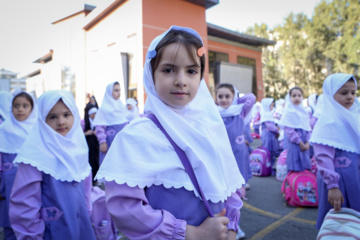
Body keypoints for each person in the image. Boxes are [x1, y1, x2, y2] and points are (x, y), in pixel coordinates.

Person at [96, 26, 244, 240]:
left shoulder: (209, 126)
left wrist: (231, 228)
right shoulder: (136, 136)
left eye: (192, 71)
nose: (181, 80)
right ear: (151, 73)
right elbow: (124, 207)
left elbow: (228, 184)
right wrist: (189, 233)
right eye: (168, 70)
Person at [9, 90, 95, 240]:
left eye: (66, 115)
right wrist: (31, 236)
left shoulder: (78, 148)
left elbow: (86, 188)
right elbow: (24, 205)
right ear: (42, 120)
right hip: (52, 232)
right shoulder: (34, 156)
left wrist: (87, 213)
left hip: (81, 227)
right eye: (53, 117)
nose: (61, 121)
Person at [309, 73, 360, 229]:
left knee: (354, 221)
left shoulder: (354, 117)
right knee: (337, 223)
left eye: (353, 92)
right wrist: (333, 186)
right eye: (343, 93)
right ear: (330, 94)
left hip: (355, 177)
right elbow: (323, 157)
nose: (350, 97)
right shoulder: (327, 122)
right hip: (338, 181)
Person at [0, 90, 38, 240]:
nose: (20, 109)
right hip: (7, 185)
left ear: (32, 108)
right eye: (16, 106)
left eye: (25, 106)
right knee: (9, 218)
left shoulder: (37, 131)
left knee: (30, 216)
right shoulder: (4, 130)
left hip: (32, 183)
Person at [93, 82, 128, 166]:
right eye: (116, 90)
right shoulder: (104, 108)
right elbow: (99, 127)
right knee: (110, 165)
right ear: (109, 92)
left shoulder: (121, 106)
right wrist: (102, 142)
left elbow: (125, 123)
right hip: (110, 143)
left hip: (122, 142)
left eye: (119, 90)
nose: (118, 93)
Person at [279, 87, 312, 172]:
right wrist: (300, 143)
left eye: (299, 95)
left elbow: (308, 129)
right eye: (294, 96)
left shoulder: (304, 112)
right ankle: (292, 184)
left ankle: (303, 185)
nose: (297, 98)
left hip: (305, 145)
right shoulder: (288, 112)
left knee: (304, 168)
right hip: (295, 145)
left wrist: (308, 142)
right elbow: (289, 131)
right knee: (294, 166)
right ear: (290, 98)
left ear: (302, 97)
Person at [259, 98, 279, 175]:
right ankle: (268, 168)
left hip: (270, 136)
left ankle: (270, 167)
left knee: (272, 152)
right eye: (271, 105)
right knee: (268, 152)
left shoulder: (268, 113)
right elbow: (270, 126)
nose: (272, 107)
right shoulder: (266, 114)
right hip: (268, 136)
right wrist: (277, 131)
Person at [84, 107, 100, 184]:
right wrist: (87, 133)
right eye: (92, 114)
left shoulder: (100, 122)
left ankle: (96, 179)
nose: (94, 116)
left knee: (96, 160)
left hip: (97, 145)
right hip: (88, 144)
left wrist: (96, 133)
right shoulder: (84, 122)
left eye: (95, 114)